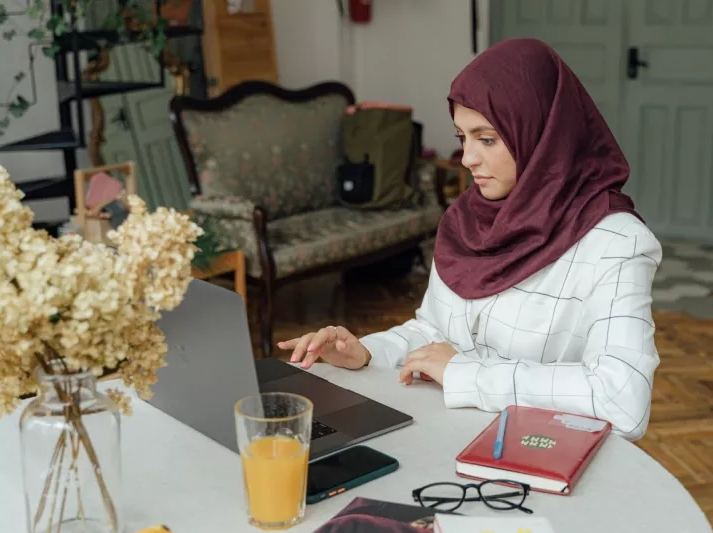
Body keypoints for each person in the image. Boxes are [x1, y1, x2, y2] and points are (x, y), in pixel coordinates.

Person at [278, 38, 662, 442]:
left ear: (541, 133)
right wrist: (365, 353)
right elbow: (433, 333)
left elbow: (623, 399)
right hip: (444, 437)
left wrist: (467, 374)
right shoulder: (467, 220)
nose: (467, 159)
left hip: (535, 459)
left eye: (487, 139)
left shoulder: (616, 242)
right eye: (463, 137)